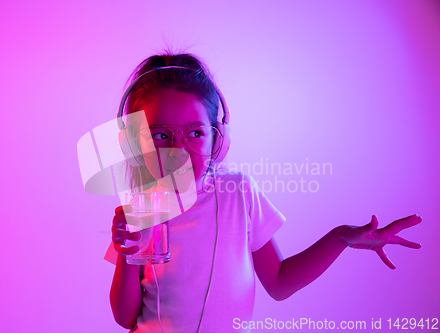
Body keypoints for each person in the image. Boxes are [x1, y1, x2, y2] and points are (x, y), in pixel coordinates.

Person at [106, 53, 422, 332]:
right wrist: (126, 251)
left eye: (195, 133)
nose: (178, 150)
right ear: (136, 145)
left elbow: (280, 283)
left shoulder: (238, 193)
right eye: (160, 135)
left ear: (218, 140)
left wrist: (342, 237)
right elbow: (125, 317)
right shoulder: (141, 207)